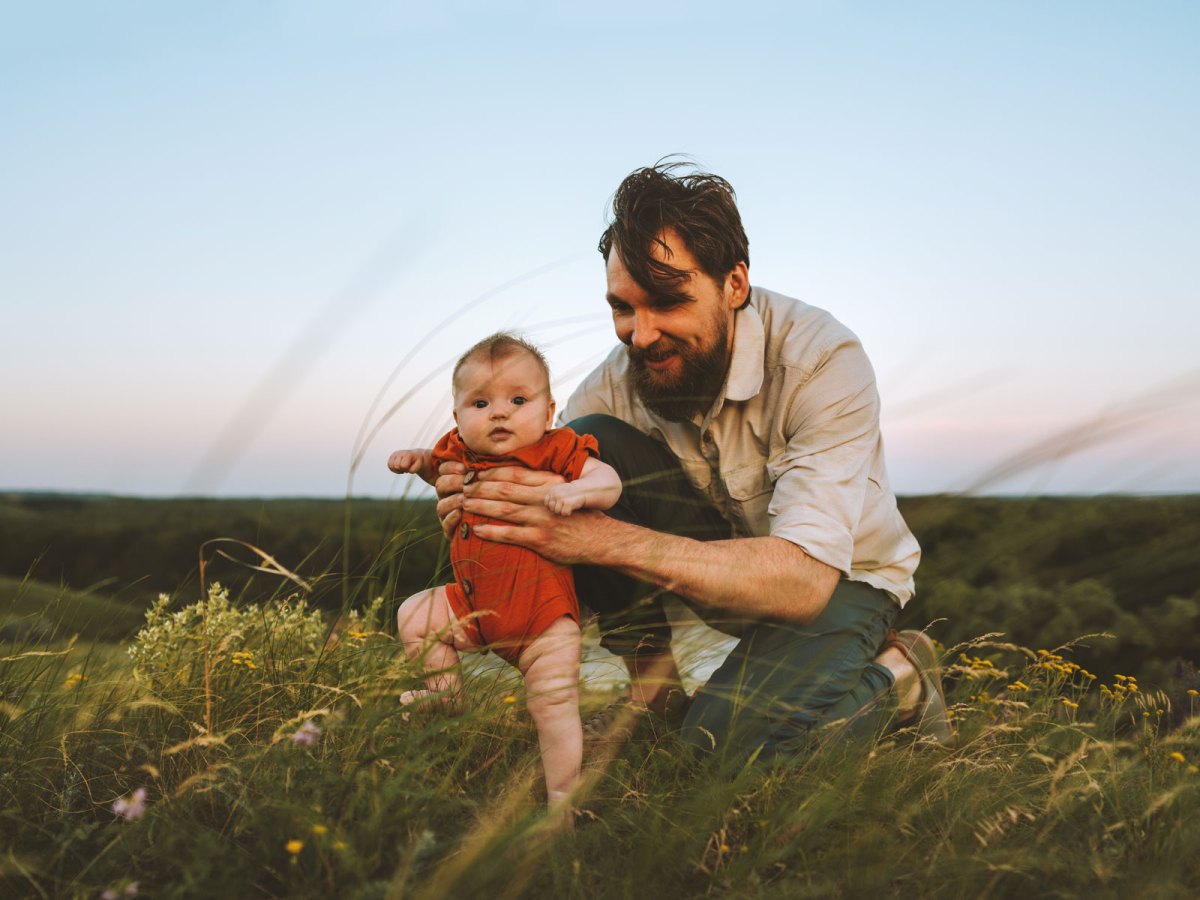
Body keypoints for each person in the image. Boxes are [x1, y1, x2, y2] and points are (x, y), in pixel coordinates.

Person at [430, 162, 953, 762]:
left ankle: (900, 678)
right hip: (713, 571)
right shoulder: (617, 382)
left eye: (668, 301)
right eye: (623, 307)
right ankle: (653, 699)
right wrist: (477, 493)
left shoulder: (821, 359)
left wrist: (599, 540)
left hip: (837, 582)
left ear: (734, 285)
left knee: (722, 746)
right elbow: (536, 487)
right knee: (586, 441)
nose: (641, 334)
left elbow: (804, 581)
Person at [388, 332, 622, 811]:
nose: (499, 412)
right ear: (457, 417)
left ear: (549, 409)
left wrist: (579, 493)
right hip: (475, 608)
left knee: (553, 709)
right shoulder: (458, 449)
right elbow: (439, 467)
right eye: (480, 402)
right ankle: (446, 698)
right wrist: (420, 462)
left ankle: (563, 804)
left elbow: (609, 481)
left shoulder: (558, 449)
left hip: (544, 620)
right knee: (414, 614)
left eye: (518, 399)